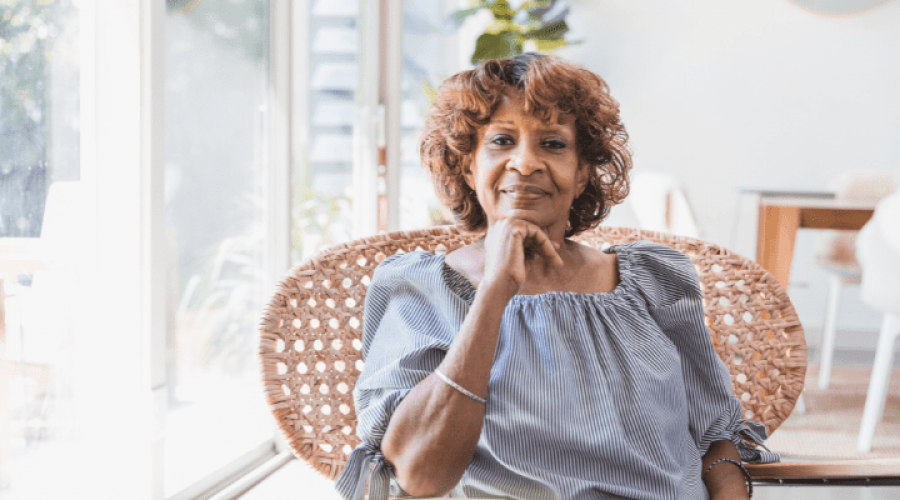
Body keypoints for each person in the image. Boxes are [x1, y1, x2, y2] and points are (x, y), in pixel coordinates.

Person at [336, 53, 777, 500]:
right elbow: (420, 476)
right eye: (502, 140)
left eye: (553, 144)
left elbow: (717, 442)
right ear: (468, 166)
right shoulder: (422, 290)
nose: (525, 163)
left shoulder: (654, 280)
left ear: (583, 170)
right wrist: (494, 291)